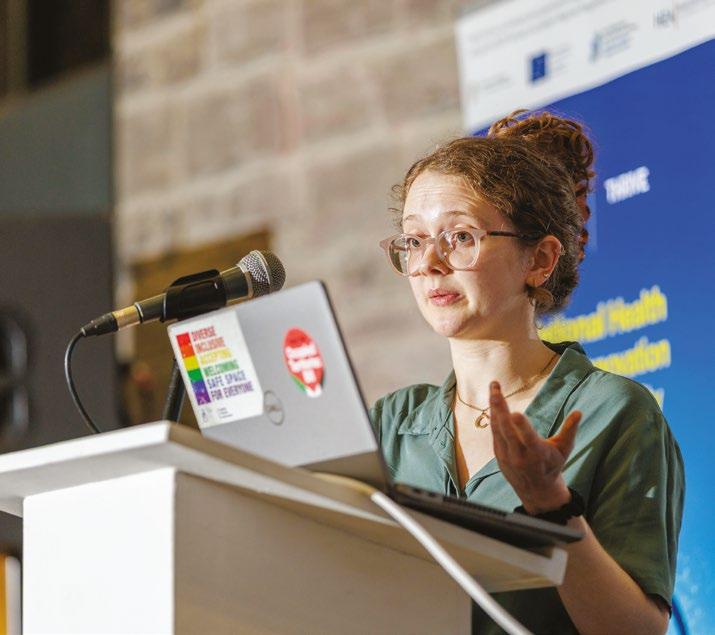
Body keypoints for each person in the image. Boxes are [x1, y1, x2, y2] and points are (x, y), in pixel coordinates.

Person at [370, 110, 684, 634]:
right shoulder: (391, 423)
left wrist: (551, 506)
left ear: (539, 260)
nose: (428, 264)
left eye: (460, 237)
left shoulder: (613, 412)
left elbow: (635, 630)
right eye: (414, 240)